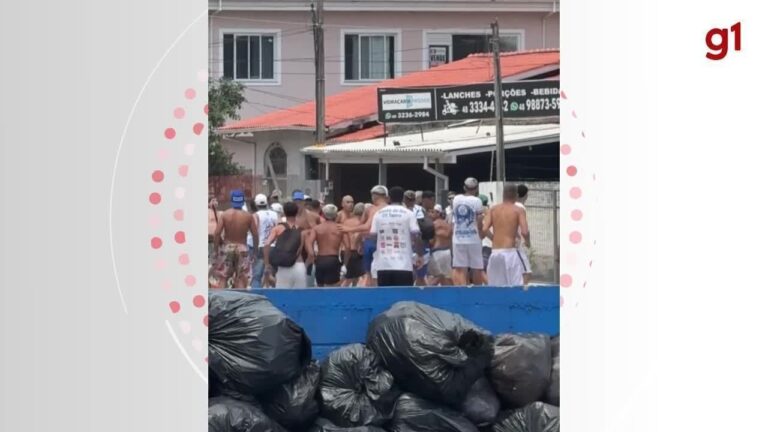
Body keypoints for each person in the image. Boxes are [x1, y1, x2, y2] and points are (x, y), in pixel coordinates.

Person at [369, 186, 424, 287]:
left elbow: (372, 237)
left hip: (383, 265)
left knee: (386, 298)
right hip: (404, 265)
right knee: (404, 298)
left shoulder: (378, 214)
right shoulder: (409, 214)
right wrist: (420, 255)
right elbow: (416, 236)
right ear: (403, 198)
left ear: (388, 198)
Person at [209, 190, 259, 289]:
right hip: (242, 249)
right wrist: (255, 251)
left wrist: (215, 250)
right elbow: (255, 234)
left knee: (223, 277)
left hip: (227, 248)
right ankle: (240, 301)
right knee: (241, 277)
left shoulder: (225, 215)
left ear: (232, 200)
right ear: (243, 201)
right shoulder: (248, 216)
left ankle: (222, 300)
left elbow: (217, 233)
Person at [341, 185, 389, 286]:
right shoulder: (391, 209)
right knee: (380, 271)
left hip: (370, 241)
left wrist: (351, 231)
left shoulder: (371, 210)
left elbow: (364, 227)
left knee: (369, 273)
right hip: (385, 242)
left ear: (374, 196)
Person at [482, 184, 530, 286]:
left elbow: (484, 229)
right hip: (510, 253)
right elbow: (525, 232)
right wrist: (528, 242)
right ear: (516, 195)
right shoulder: (518, 210)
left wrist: (493, 238)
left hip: (495, 253)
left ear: (503, 194)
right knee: (516, 286)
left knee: (496, 288)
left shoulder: (493, 209)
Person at [451, 178, 486, 286]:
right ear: (476, 189)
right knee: (477, 268)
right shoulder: (477, 201)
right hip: (474, 238)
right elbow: (479, 219)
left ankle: (462, 294)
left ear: (464, 187)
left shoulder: (456, 199)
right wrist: (481, 232)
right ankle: (477, 295)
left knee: (460, 269)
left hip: (458, 238)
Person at [263, 201, 307, 288]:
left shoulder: (278, 228)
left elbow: (266, 244)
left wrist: (267, 264)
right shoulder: (303, 230)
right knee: (301, 297)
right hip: (299, 265)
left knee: (283, 295)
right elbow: (302, 248)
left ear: (284, 212)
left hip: (283, 267)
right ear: (297, 212)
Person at [306, 204, 345, 287]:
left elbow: (309, 242)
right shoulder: (340, 229)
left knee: (320, 287)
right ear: (336, 215)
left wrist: (312, 254)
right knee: (333, 288)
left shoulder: (317, 228)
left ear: (323, 215)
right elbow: (348, 247)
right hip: (333, 259)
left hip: (320, 259)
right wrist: (345, 263)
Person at [249, 194, 279, 289]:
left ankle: (255, 297)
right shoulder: (275, 214)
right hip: (274, 247)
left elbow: (255, 232)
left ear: (256, 204)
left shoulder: (255, 215)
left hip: (261, 247)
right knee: (272, 274)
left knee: (257, 276)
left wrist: (254, 249)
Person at [405, 190, 430, 286]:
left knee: (410, 274)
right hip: (422, 244)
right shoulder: (421, 210)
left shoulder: (402, 209)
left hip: (408, 245)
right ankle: (423, 297)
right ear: (415, 200)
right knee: (420, 276)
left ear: (405, 199)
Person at [341, 202, 366, 286]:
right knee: (350, 277)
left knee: (355, 275)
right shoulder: (361, 223)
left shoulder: (346, 221)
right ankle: (341, 292)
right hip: (355, 251)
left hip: (345, 251)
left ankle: (354, 290)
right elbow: (359, 237)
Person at [427, 206, 453, 286]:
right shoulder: (447, 225)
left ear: (438, 213)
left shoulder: (433, 224)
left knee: (435, 276)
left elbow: (431, 241)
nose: (429, 214)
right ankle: (450, 295)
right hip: (447, 252)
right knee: (446, 277)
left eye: (432, 212)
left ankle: (426, 294)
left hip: (437, 252)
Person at [515, 184, 533, 285]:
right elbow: (524, 230)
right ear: (525, 195)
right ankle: (520, 295)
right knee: (527, 272)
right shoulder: (521, 207)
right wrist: (528, 242)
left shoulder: (508, 205)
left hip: (503, 244)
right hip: (515, 245)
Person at [208, 196, 222, 268]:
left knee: (216, 260)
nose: (215, 202)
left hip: (217, 240)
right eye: (213, 200)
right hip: (209, 240)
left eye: (216, 200)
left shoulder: (219, 213)